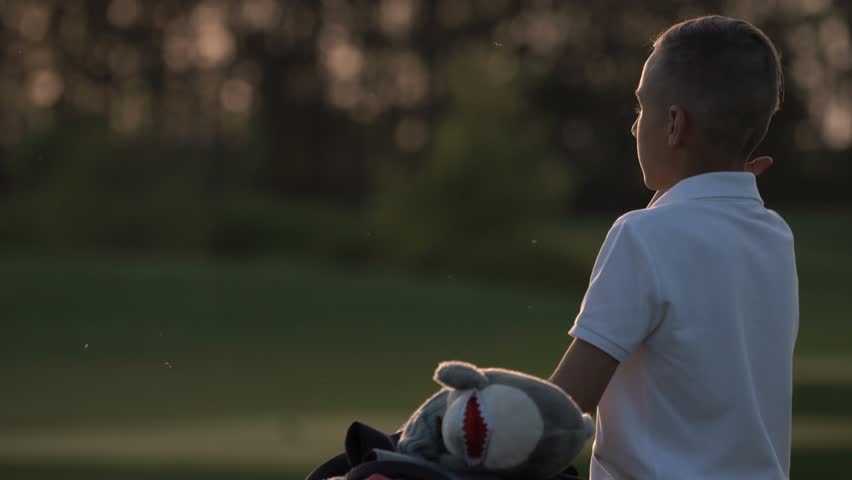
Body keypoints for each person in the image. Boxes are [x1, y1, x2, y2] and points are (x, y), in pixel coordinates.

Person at [548, 15, 798, 480]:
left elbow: (562, 411)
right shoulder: (774, 236)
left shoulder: (641, 237)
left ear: (674, 124)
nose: (632, 127)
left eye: (642, 109)